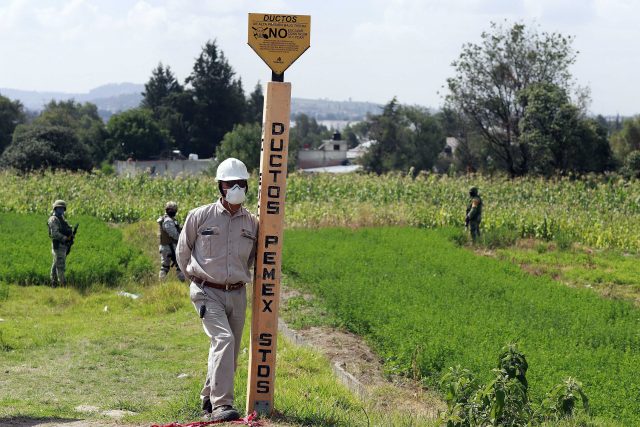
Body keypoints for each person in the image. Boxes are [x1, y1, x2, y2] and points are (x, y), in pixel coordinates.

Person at [176, 158, 258, 422]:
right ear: (220, 187)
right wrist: (194, 280)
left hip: (237, 293)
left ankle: (208, 398)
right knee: (223, 340)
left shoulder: (253, 223)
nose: (236, 188)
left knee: (229, 351)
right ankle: (222, 405)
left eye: (241, 183)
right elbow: (182, 251)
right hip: (206, 290)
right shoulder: (200, 216)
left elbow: (254, 257)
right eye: (230, 183)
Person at [157, 201, 185, 282]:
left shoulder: (167, 220)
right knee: (180, 265)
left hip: (166, 247)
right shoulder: (168, 221)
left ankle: (162, 283)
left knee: (165, 267)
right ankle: (182, 282)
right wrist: (182, 238)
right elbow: (174, 234)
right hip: (170, 247)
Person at [47, 200, 73, 286]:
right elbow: (54, 233)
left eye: (62, 208)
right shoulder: (53, 219)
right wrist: (65, 238)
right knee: (60, 266)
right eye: (59, 208)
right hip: (58, 245)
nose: (61, 210)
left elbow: (67, 229)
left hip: (64, 245)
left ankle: (53, 283)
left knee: (56, 264)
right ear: (55, 208)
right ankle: (63, 285)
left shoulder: (62, 219)